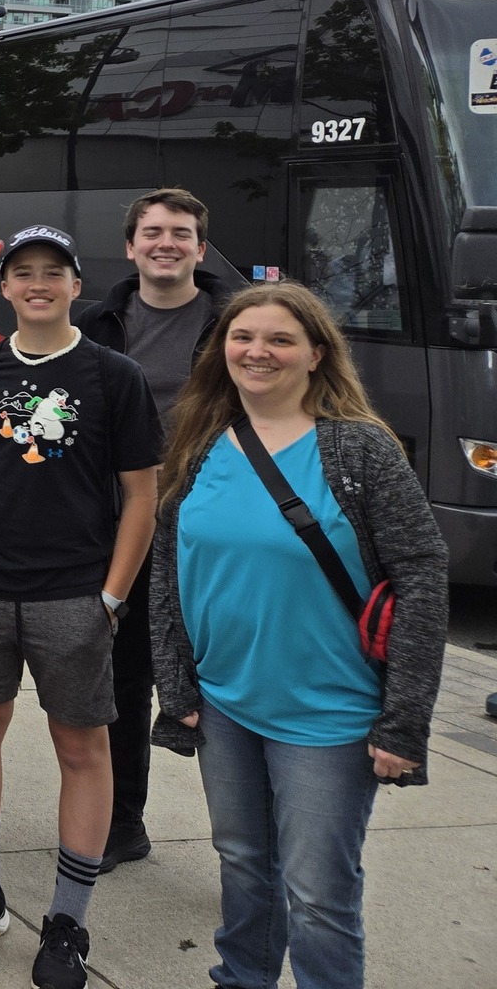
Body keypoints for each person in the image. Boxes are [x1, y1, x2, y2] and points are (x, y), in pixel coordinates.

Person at [149, 283, 447, 989]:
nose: (258, 352)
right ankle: (242, 978)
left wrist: (404, 724)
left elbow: (423, 577)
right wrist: (176, 683)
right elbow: (168, 570)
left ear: (317, 354)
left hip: (330, 717)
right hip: (225, 704)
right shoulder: (200, 444)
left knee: (318, 895)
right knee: (244, 864)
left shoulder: (360, 451)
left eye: (280, 340)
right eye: (243, 337)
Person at [0, 225, 163, 989]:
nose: (37, 284)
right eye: (23, 273)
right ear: (5, 286)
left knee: (81, 749)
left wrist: (113, 597)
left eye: (51, 273)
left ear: (75, 284)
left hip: (73, 595)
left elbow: (141, 495)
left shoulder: (113, 375)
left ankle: (67, 920)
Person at [76, 187, 231, 873]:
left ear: (200, 247)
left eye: (181, 233)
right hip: (123, 524)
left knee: (219, 675)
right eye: (152, 231)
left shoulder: (236, 322)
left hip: (212, 526)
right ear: (132, 245)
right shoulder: (100, 321)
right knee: (125, 677)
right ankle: (121, 821)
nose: (165, 242)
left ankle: (245, 840)